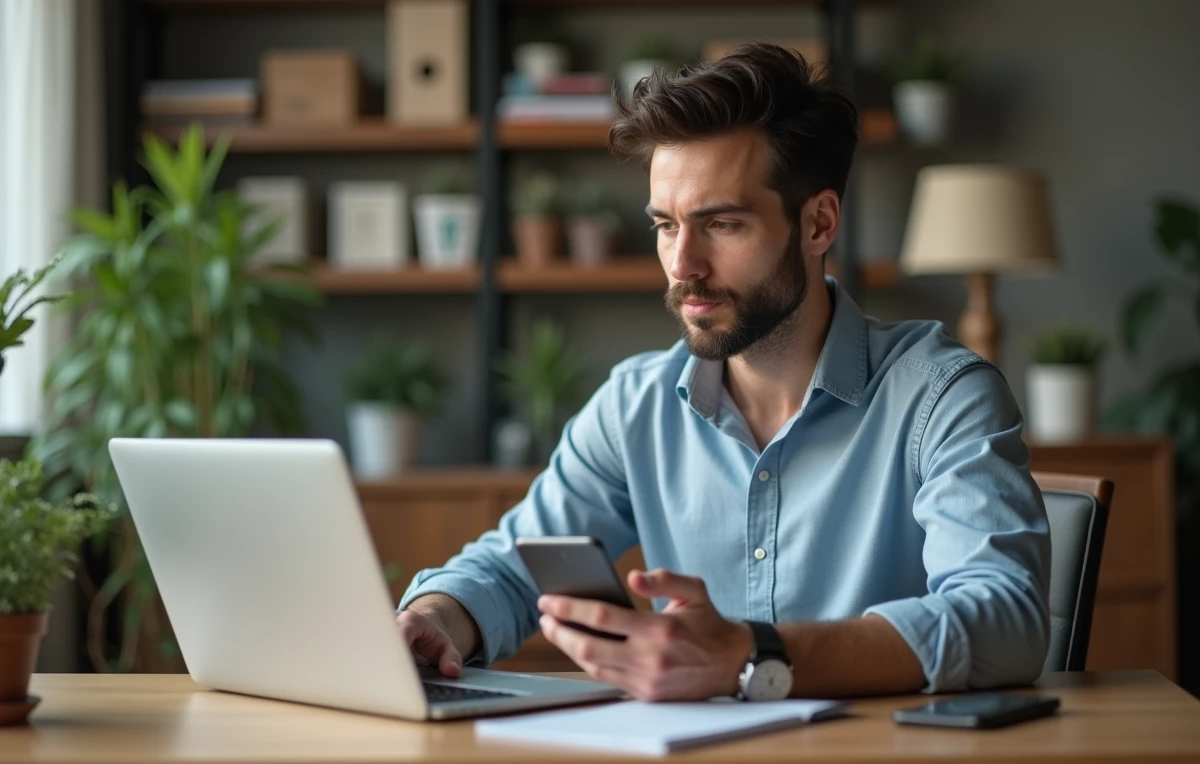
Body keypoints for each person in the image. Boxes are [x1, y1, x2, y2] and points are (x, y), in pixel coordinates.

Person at [396, 43, 1050, 702]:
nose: (683, 264)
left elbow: (1004, 621)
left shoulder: (942, 396)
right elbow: (514, 569)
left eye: (723, 224)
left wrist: (754, 654)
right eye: (665, 226)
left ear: (818, 222)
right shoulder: (636, 405)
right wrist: (436, 619)